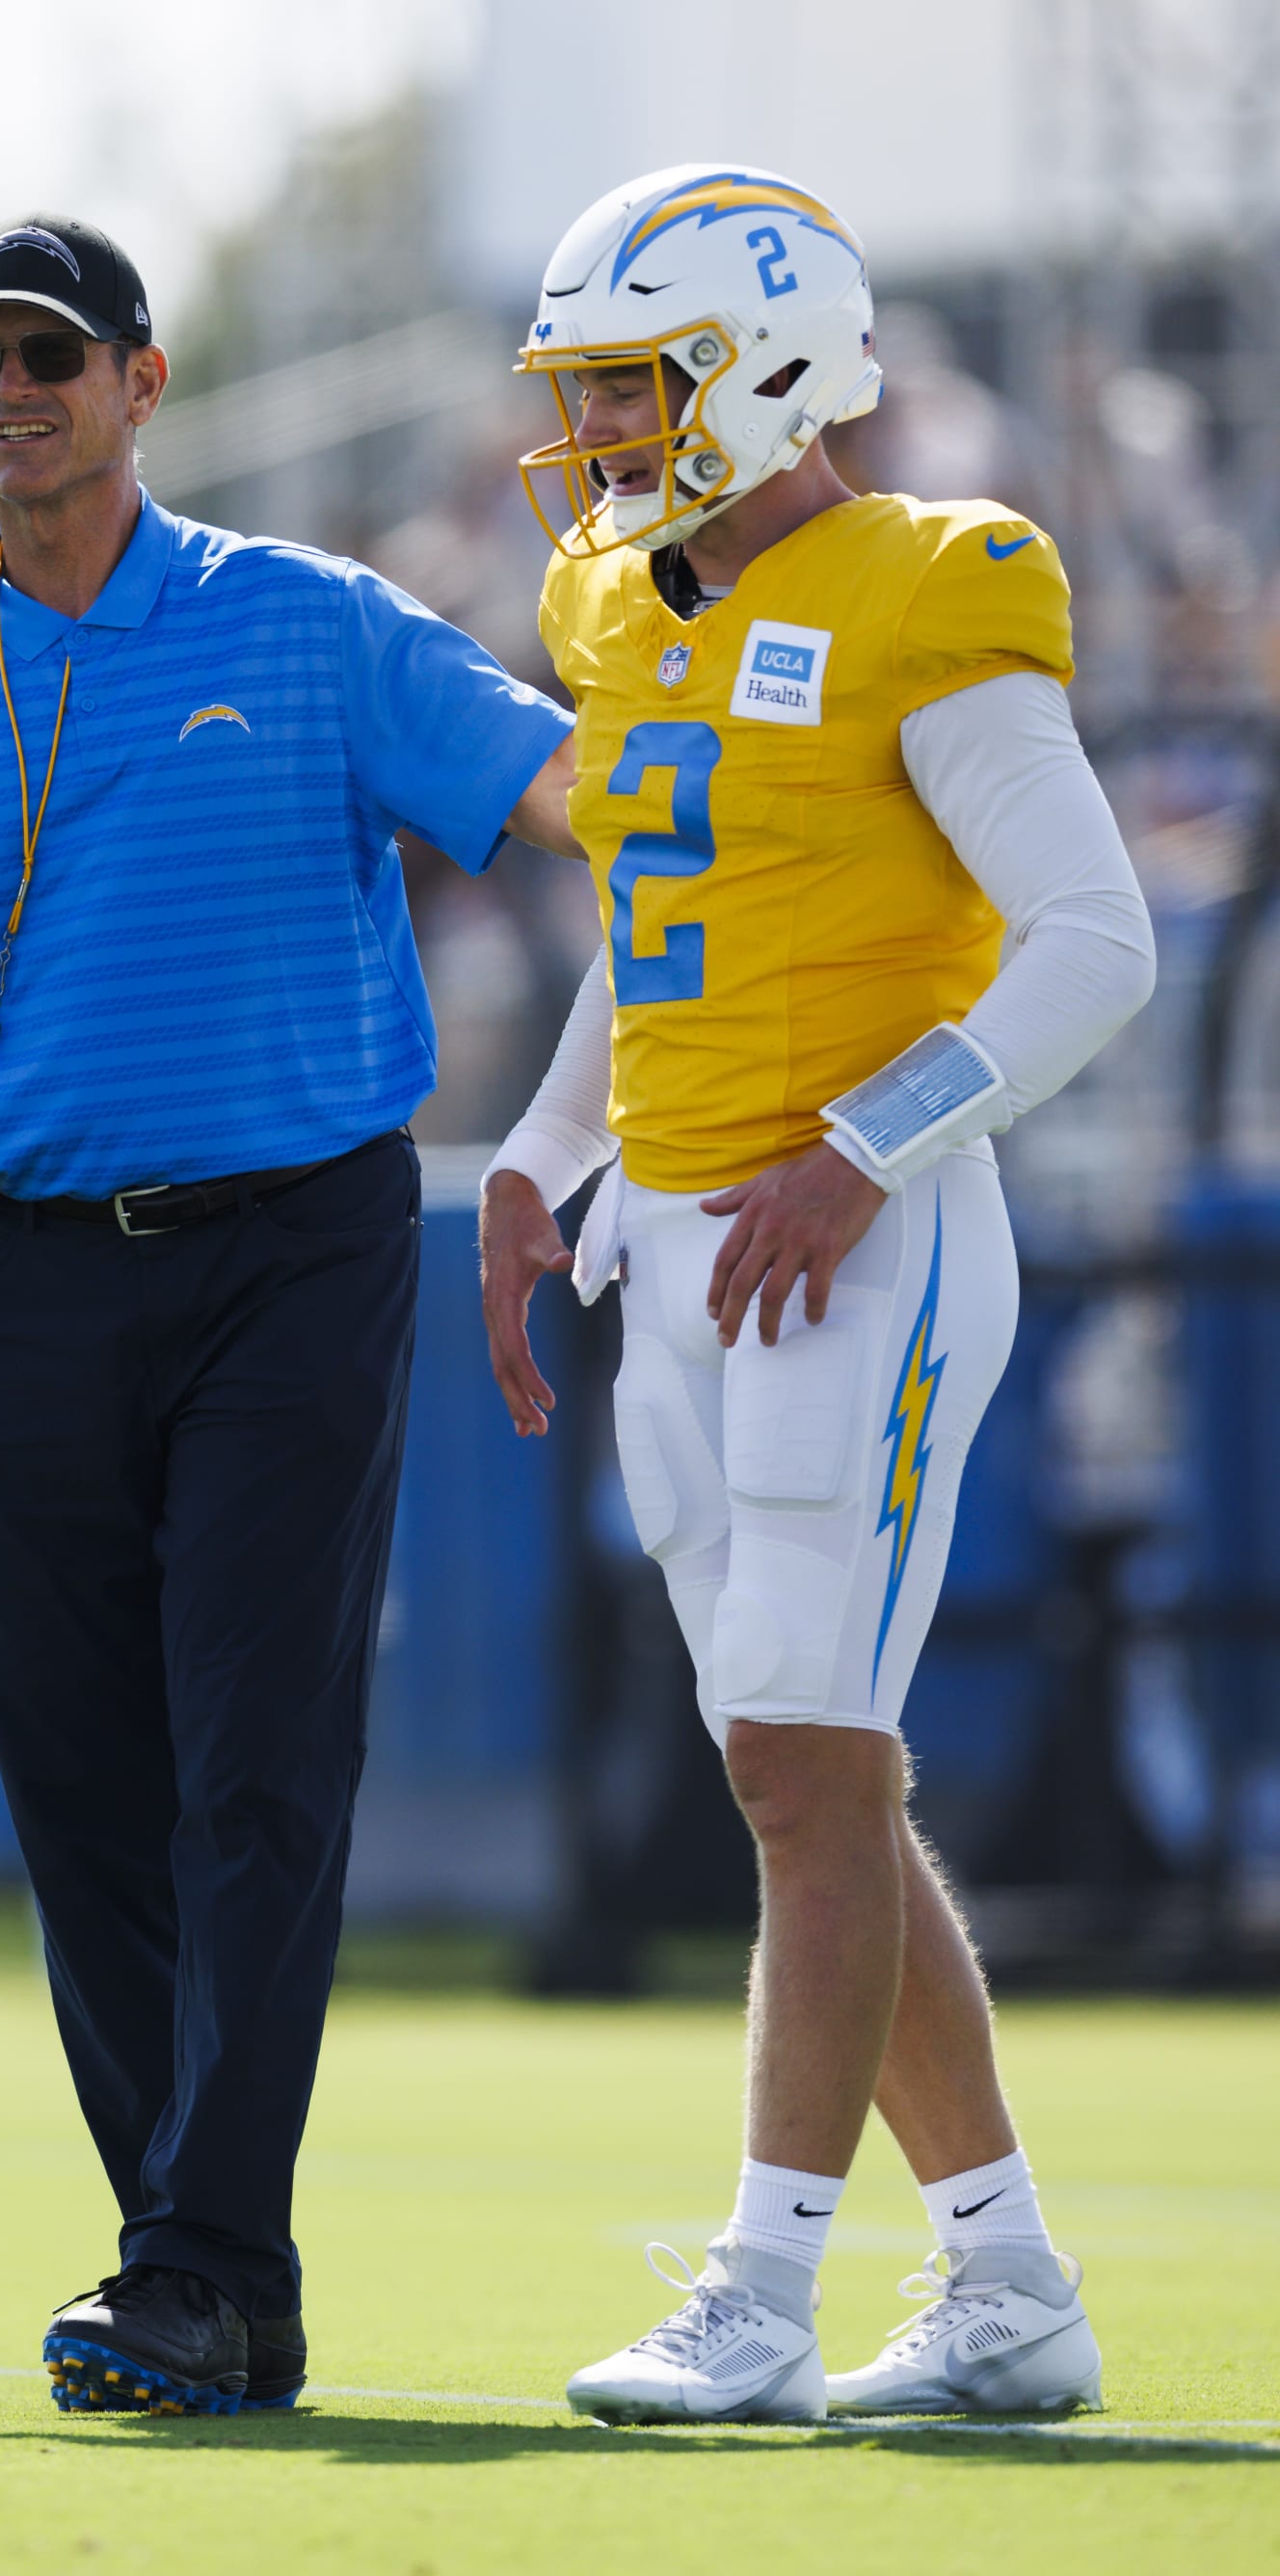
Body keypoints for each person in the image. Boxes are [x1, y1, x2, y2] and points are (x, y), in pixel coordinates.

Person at [0, 213, 577, 2420]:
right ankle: (219, 2280)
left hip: (296, 1257)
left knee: (256, 1765)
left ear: (143, 384)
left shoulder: (312, 624)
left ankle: (185, 2263)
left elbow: (568, 793)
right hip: (33, 1284)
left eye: (52, 355)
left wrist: (767, 814)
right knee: (81, 1786)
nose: (11, 389)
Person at [479, 166, 1156, 2423]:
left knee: (803, 1764)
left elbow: (1095, 944)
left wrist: (867, 1149)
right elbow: (662, 929)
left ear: (772, 368)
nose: (593, 431)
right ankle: (1008, 2288)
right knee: (805, 1771)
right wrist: (543, 1152)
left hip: (859, 1238)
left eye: (631, 383)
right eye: (581, 388)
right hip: (677, 1229)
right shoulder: (612, 596)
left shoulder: (929, 582)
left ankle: (761, 2295)